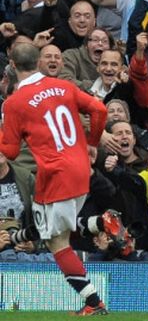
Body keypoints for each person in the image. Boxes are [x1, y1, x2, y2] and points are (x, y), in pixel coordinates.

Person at [0, 43, 108, 315]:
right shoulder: (64, 87)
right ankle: (98, 222)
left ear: (12, 65)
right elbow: (100, 111)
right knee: (46, 225)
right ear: (38, 62)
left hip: (55, 174)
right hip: (81, 168)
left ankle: (94, 303)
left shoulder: (14, 102)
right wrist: (92, 143)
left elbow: (10, 151)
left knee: (57, 241)